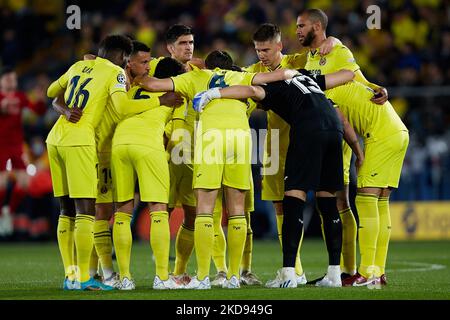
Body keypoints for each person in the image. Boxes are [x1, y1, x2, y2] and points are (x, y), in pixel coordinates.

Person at [135, 50, 300, 289]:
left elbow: (153, 84)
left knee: (204, 211)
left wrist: (136, 74)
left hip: (212, 138)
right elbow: (277, 76)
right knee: (237, 212)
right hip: (241, 139)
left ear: (207, 66)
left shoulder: (195, 77)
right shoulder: (241, 76)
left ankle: (203, 277)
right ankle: (234, 276)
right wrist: (293, 73)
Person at [192, 68, 363, 288]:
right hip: (334, 129)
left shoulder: (276, 88)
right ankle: (334, 274)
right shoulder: (311, 83)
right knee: (328, 202)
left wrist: (215, 93)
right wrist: (358, 152)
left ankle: (289, 274)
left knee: (293, 199)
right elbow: (347, 84)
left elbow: (251, 89)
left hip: (308, 130)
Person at [46, 34, 177, 291]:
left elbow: (51, 92)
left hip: (55, 138)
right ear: (122, 58)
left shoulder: (77, 66)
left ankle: (71, 275)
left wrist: (63, 109)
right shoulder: (115, 73)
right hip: (82, 141)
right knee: (86, 211)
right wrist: (159, 100)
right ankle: (83, 277)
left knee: (66, 210)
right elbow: (121, 108)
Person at [297, 9, 408, 287]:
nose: (296, 30)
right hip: (395, 130)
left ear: (318, 26)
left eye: (301, 26)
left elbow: (351, 81)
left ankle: (367, 272)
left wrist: (358, 154)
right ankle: (377, 272)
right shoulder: (314, 60)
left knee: (366, 200)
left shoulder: (332, 65)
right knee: (380, 202)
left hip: (380, 133)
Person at [243, 23, 339, 285]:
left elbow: (331, 59)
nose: (261, 55)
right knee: (280, 204)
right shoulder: (254, 70)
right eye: (257, 50)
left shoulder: (295, 63)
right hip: (275, 143)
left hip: (302, 137)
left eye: (266, 49)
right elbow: (239, 80)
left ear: (279, 46)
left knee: (304, 199)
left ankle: (292, 273)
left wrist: (333, 40)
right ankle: (297, 270)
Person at [111, 56, 185, 290]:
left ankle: (124, 278)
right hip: (148, 146)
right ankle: (162, 278)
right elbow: (174, 133)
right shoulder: (174, 95)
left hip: (119, 145)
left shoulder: (135, 89)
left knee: (122, 211)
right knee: (158, 210)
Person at [0, 67, 47, 237]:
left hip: (17, 146)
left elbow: (38, 111)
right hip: (1, 146)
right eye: (7, 79)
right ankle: (3, 214)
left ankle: (7, 212)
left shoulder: (20, 97)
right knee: (2, 184)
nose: (11, 82)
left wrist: (41, 100)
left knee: (25, 184)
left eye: (13, 79)